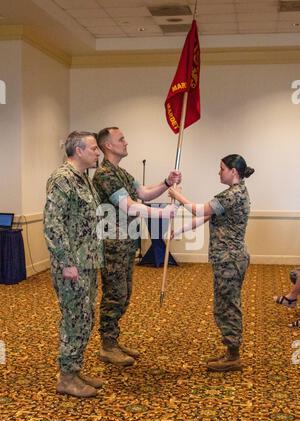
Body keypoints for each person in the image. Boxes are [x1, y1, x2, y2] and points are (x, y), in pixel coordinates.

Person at [93, 127, 181, 366]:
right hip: (112, 245)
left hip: (126, 245)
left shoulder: (121, 173)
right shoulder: (104, 175)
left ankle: (113, 339)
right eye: (121, 139)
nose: (126, 142)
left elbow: (143, 193)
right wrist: (163, 214)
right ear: (108, 145)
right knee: (114, 295)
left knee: (125, 294)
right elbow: (130, 206)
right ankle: (107, 345)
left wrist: (166, 182)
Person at [169, 154, 255, 372]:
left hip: (230, 260)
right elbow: (205, 217)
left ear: (233, 172)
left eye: (222, 168)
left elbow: (201, 210)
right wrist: (177, 231)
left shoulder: (232, 194)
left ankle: (233, 355)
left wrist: (178, 195)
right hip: (229, 259)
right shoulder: (234, 193)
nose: (219, 172)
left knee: (227, 306)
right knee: (224, 304)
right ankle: (230, 350)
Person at [44, 131, 104, 397]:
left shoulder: (84, 179)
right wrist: (67, 263)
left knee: (85, 317)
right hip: (72, 264)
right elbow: (53, 225)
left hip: (88, 260)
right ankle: (66, 377)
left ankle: (75, 368)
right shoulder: (61, 179)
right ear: (78, 150)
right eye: (93, 148)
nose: (97, 152)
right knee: (74, 318)